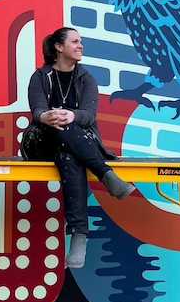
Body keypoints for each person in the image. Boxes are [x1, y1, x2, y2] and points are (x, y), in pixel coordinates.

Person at [26, 27, 135, 268]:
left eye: (81, 42)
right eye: (75, 42)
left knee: (68, 152)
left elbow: (88, 114)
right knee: (60, 125)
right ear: (58, 47)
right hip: (42, 142)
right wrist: (48, 117)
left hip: (74, 145)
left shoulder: (87, 79)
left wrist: (71, 116)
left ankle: (78, 235)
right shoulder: (40, 77)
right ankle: (106, 174)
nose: (80, 46)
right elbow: (37, 111)